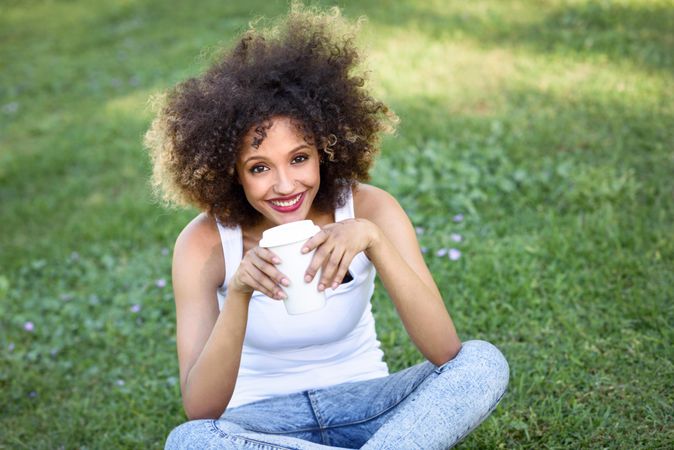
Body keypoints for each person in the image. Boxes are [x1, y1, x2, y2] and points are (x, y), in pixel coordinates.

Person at [145, 4, 509, 449]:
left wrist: (372, 241)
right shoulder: (204, 243)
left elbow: (444, 351)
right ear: (230, 172)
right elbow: (201, 409)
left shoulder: (368, 208)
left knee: (482, 362)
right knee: (190, 441)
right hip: (262, 425)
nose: (285, 185)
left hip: (372, 407)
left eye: (299, 158)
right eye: (259, 167)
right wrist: (239, 292)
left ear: (325, 150)